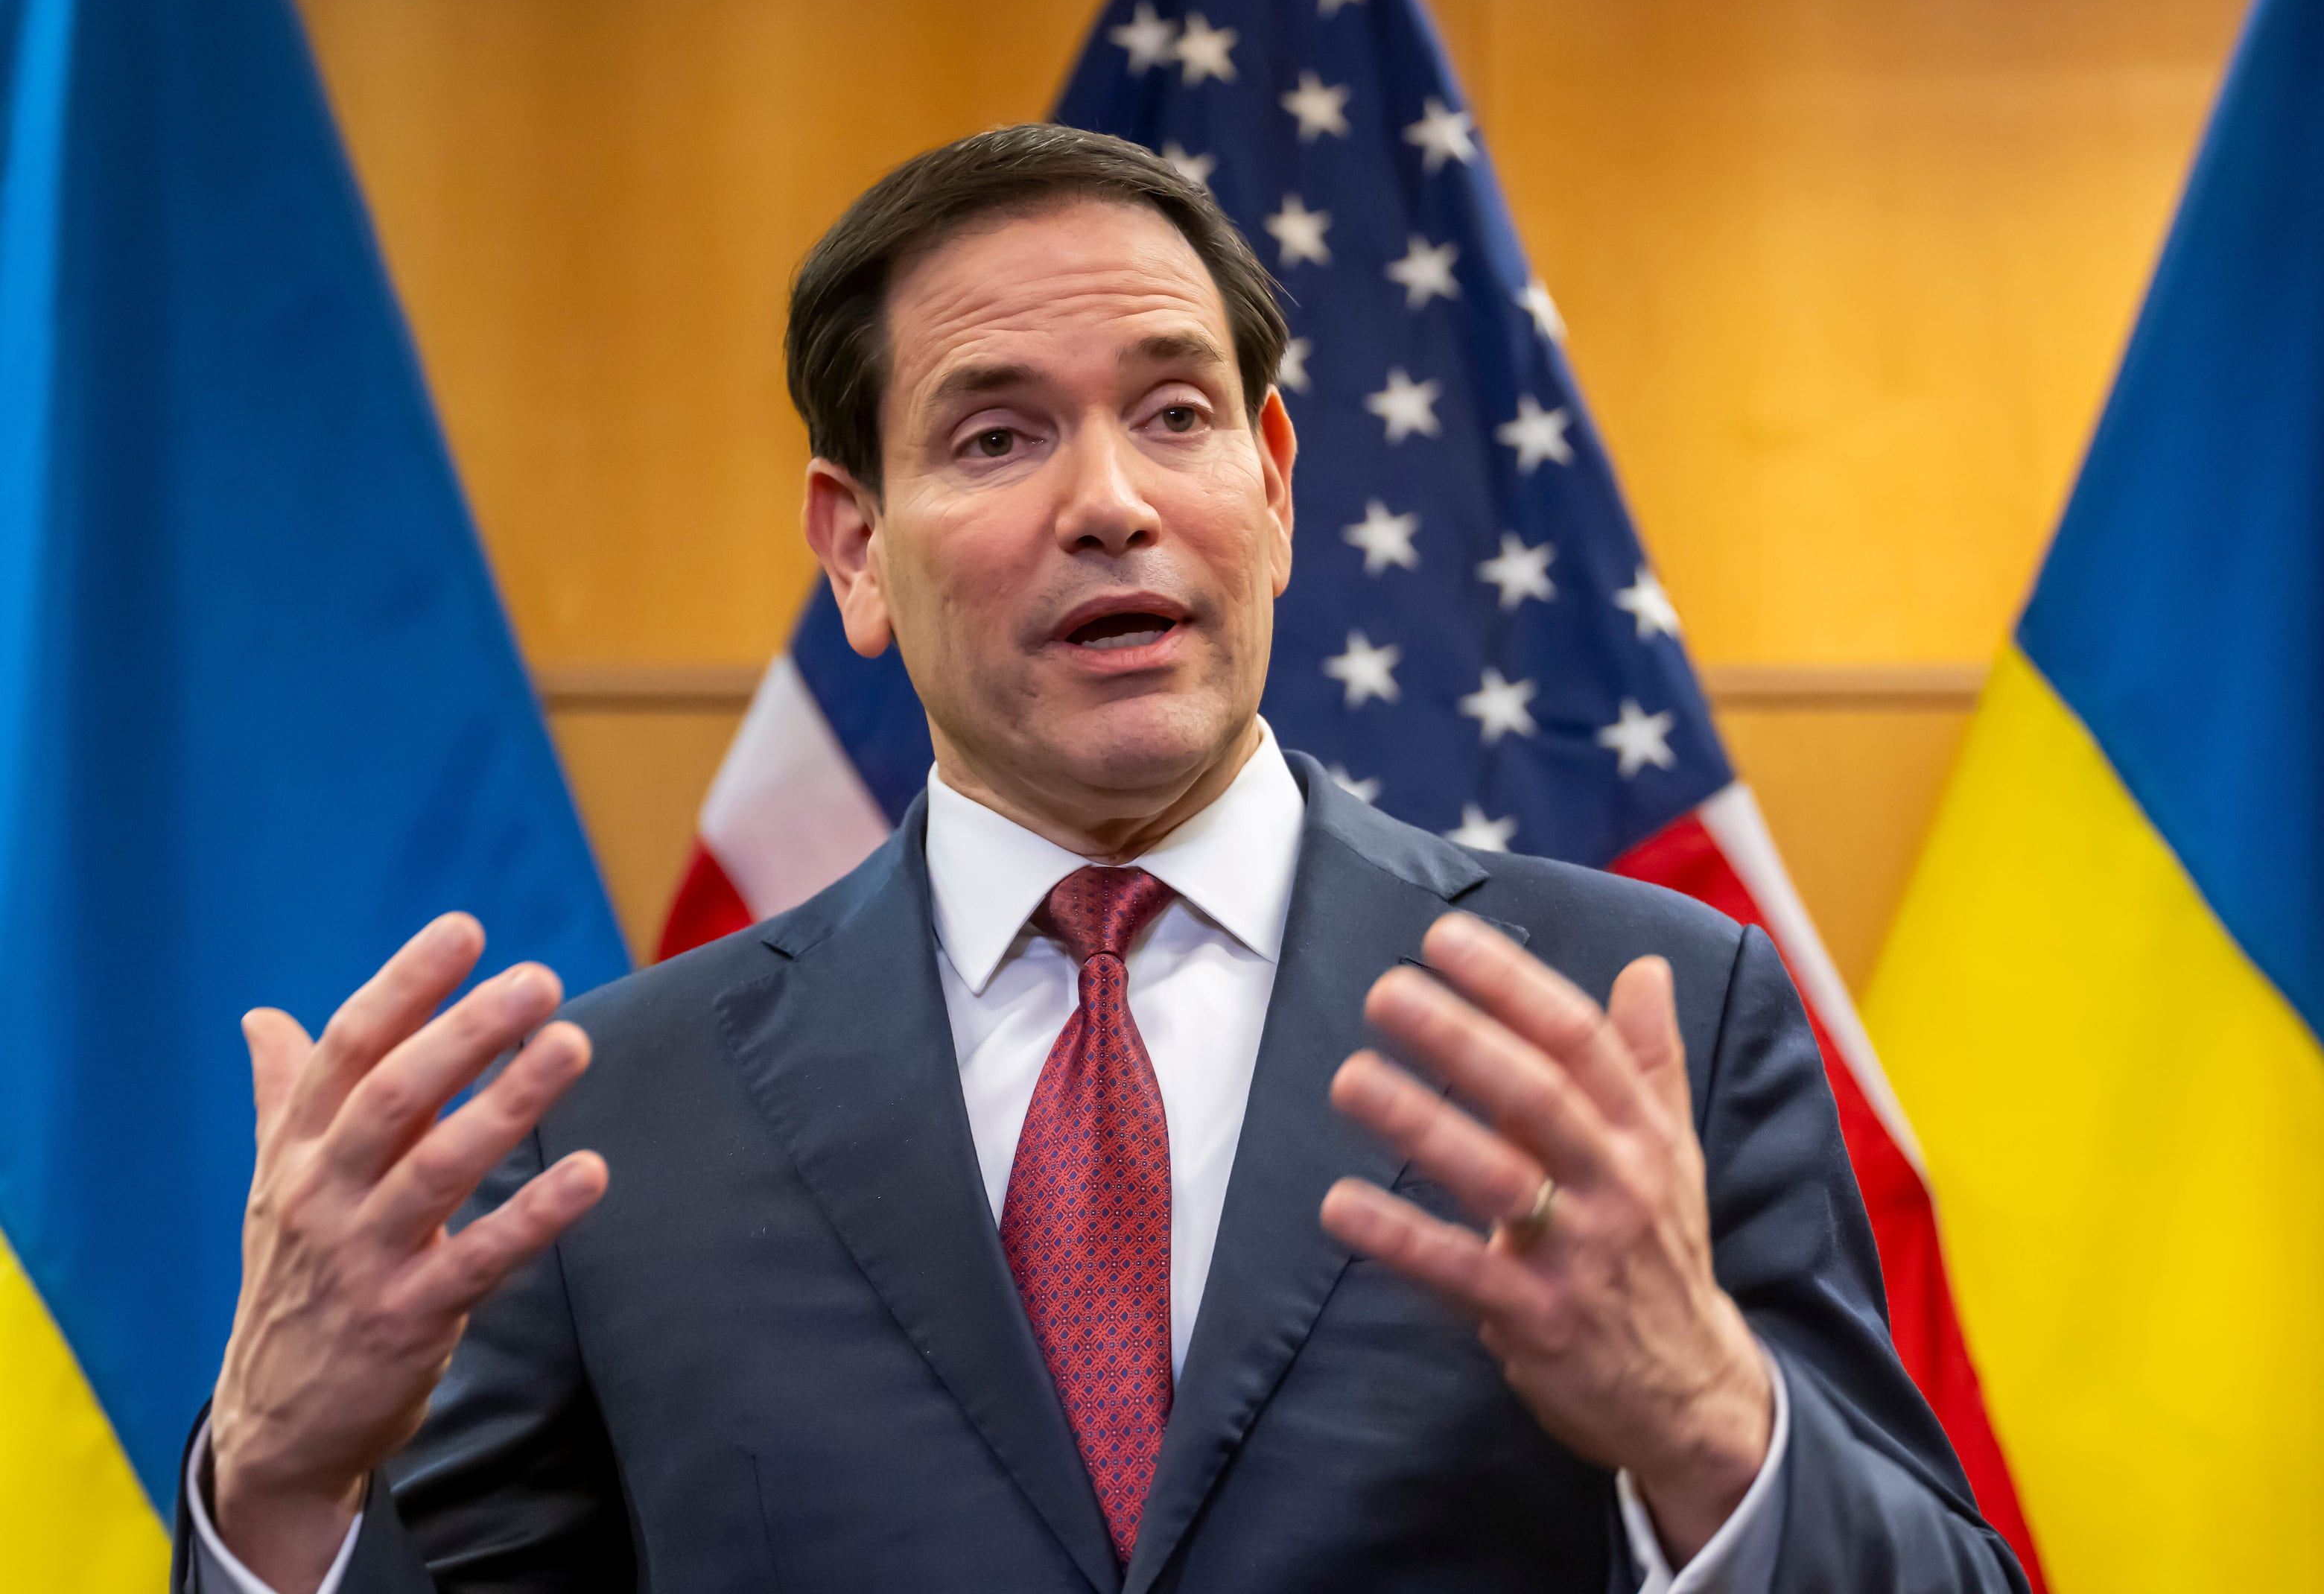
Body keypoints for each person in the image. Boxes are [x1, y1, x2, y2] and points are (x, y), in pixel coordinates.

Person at [177, 124, 2028, 1594]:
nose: (1114, 501)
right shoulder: (617, 1116)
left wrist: (1708, 1426)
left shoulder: (1643, 1019)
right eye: (998, 436)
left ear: (1276, 484)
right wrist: (275, 1497)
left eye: (1174, 413)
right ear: (855, 551)